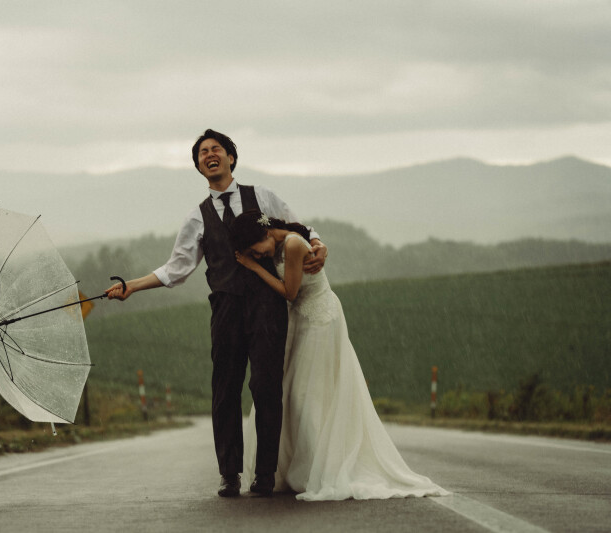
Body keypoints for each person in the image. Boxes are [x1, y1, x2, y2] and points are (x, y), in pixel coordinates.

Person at [105, 130, 327, 497]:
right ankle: (229, 474)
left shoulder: (263, 197)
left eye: (216, 150)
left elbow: (299, 227)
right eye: (203, 153)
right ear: (198, 166)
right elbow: (176, 269)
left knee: (266, 386)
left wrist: (319, 244)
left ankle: (265, 475)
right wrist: (131, 285)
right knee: (225, 389)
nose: (210, 155)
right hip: (225, 307)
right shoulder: (197, 217)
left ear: (231, 158)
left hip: (268, 306)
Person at [232, 209, 450, 501]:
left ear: (266, 233)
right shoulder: (280, 242)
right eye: (252, 255)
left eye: (256, 251)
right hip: (301, 321)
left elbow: (290, 292)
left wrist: (254, 267)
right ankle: (304, 465)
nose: (257, 257)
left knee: (312, 396)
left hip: (320, 319)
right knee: (294, 394)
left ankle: (320, 466)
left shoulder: (294, 245)